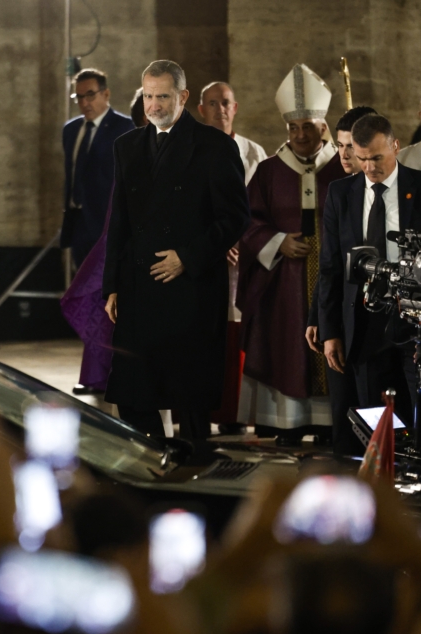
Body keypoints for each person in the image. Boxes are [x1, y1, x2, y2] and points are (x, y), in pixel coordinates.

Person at [103, 60, 249, 457]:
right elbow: (120, 219)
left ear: (183, 97)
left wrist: (187, 256)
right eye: (148, 96)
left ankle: (196, 468)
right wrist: (111, 285)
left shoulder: (216, 146)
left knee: (189, 394)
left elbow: (235, 217)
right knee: (134, 392)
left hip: (190, 287)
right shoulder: (127, 146)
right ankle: (151, 461)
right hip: (138, 284)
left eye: (162, 96)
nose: (153, 105)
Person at [318, 113, 421, 460]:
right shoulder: (341, 194)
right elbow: (330, 268)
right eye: (362, 158)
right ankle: (384, 496)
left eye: (377, 158)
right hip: (365, 325)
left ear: (395, 146)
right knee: (376, 424)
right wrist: (330, 332)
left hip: (420, 324)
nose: (369, 167)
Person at [235, 64, 346, 444]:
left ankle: (333, 423)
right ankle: (288, 421)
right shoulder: (268, 172)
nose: (300, 135)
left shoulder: (344, 169)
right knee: (285, 346)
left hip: (333, 276)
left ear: (323, 127)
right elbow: (247, 222)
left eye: (308, 127)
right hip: (283, 282)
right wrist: (277, 242)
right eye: (293, 128)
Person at [61, 89, 148, 397]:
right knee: (103, 306)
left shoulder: (121, 129)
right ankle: (105, 376)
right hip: (101, 235)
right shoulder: (74, 130)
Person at [304, 105, 376, 453]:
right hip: (342, 322)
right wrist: (318, 318)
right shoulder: (339, 192)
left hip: (379, 324)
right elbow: (329, 264)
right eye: (340, 145)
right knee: (344, 416)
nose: (344, 154)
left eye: (351, 146)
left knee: (376, 415)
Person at [197, 81, 267, 432]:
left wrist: (240, 238)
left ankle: (235, 416)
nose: (220, 109)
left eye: (225, 103)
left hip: (243, 256)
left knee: (237, 337)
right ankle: (203, 412)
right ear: (200, 110)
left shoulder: (254, 152)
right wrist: (215, 240)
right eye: (212, 103)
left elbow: (259, 208)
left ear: (235, 107)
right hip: (204, 258)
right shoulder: (190, 149)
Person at [61, 68, 136, 266]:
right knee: (82, 287)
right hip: (78, 223)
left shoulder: (125, 128)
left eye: (90, 95)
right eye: (79, 97)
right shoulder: (71, 130)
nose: (84, 102)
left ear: (106, 94)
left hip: (107, 225)